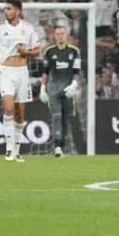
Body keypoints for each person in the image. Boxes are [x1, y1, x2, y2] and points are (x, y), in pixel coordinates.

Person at [0, 0, 41, 163]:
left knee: (19, 112)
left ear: (17, 11)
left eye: (9, 9)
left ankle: (16, 151)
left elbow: (37, 51)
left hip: (22, 72)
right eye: (5, 9)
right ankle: (9, 149)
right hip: (5, 72)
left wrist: (26, 51)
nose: (5, 11)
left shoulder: (28, 28)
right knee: (8, 107)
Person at [39, 25, 81, 158]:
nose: (60, 36)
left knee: (65, 118)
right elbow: (45, 72)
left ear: (67, 35)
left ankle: (61, 145)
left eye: (62, 33)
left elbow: (76, 71)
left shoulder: (74, 51)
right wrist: (42, 89)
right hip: (53, 89)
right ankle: (57, 146)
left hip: (68, 89)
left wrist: (74, 85)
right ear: (54, 36)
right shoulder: (49, 52)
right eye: (58, 34)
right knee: (56, 116)